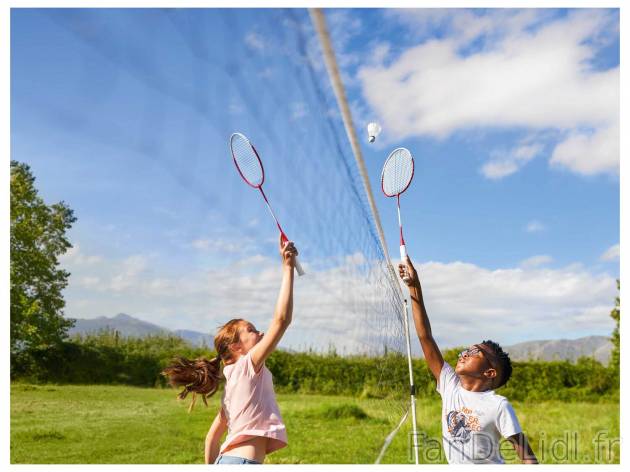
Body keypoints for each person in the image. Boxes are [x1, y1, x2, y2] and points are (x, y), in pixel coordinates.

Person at [162, 236, 298, 465]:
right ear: (237, 347)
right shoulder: (246, 366)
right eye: (252, 330)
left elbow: (211, 438)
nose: (262, 334)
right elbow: (281, 320)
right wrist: (288, 269)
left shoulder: (231, 390)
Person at [398, 256, 538, 464]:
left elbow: (528, 458)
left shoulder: (498, 405)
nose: (464, 354)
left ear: (489, 373)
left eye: (475, 353)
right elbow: (424, 336)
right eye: (466, 350)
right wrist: (414, 286)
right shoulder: (449, 385)